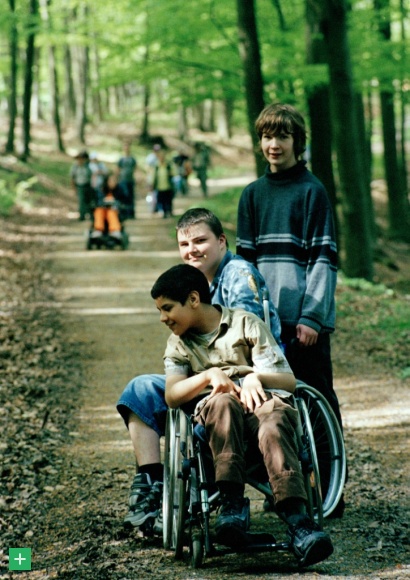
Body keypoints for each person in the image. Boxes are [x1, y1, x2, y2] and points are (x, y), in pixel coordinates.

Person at [150, 264, 334, 567]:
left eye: (167, 308)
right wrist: (208, 376)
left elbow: (288, 381)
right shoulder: (179, 344)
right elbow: (172, 394)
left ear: (193, 299)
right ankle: (232, 504)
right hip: (216, 414)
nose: (163, 318)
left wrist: (256, 378)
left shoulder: (245, 324)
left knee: (274, 420)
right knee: (222, 404)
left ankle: (298, 521)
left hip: (260, 401)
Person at [116, 208, 281, 533]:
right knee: (143, 390)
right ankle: (151, 485)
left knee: (148, 391)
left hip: (238, 381)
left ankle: (160, 490)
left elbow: (243, 348)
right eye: (184, 243)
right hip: (208, 377)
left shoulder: (237, 276)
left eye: (200, 241)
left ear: (221, 241)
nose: (192, 249)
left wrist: (207, 376)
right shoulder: (201, 280)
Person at [236, 103, 345, 516]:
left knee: (315, 399)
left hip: (304, 322)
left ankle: (328, 488)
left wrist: (312, 316)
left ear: (298, 143)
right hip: (263, 325)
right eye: (267, 136)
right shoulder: (253, 195)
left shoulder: (312, 191)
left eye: (282, 137)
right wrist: (241, 320)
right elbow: (242, 264)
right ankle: (282, 488)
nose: (273, 145)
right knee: (270, 405)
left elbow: (322, 258)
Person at [90, 173, 124, 241]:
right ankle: (98, 230)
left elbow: (123, 201)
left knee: (111, 212)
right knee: (98, 210)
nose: (112, 183)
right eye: (111, 181)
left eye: (114, 181)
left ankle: (115, 230)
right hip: (103, 210)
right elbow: (97, 201)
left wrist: (115, 202)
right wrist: (104, 202)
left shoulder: (119, 190)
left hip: (114, 211)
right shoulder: (101, 190)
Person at [70, 150, 92, 221]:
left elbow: (91, 175)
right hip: (79, 185)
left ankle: (89, 214)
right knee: (81, 200)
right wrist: (73, 188)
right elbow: (72, 177)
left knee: (88, 200)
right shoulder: (75, 167)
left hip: (88, 185)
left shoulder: (88, 166)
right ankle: (82, 216)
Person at [152, 148, 175, 218]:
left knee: (168, 200)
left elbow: (173, 173)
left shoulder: (168, 166)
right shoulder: (156, 166)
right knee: (162, 200)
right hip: (160, 187)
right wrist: (152, 184)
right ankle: (164, 212)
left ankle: (169, 211)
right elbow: (153, 176)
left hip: (168, 186)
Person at [117, 142, 137, 219]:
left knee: (131, 196)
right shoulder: (121, 159)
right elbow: (118, 169)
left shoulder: (132, 159)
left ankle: (131, 213)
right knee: (124, 196)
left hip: (130, 180)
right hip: (123, 180)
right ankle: (125, 213)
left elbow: (135, 168)